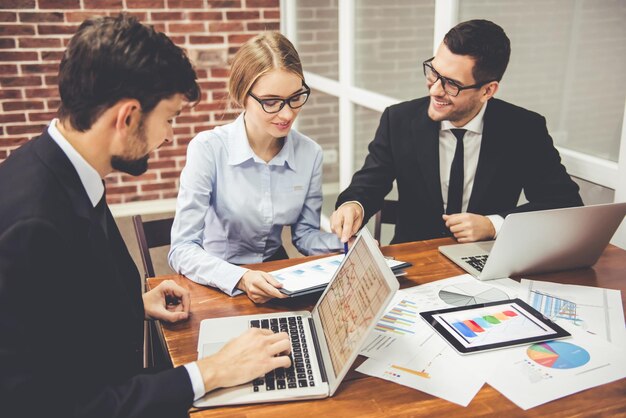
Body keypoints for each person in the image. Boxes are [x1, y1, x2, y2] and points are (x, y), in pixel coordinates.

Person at [0, 15, 290, 418]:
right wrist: (209, 373)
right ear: (128, 117)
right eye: (169, 118)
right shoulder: (30, 225)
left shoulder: (61, 166)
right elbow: (53, 406)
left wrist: (132, 304)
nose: (170, 135)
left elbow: (58, 312)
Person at [331, 19, 583, 245]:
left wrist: (494, 224)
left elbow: (565, 204)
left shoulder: (524, 129)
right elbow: (370, 183)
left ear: (488, 91)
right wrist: (354, 204)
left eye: (451, 83)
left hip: (488, 261)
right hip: (414, 258)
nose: (435, 90)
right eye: (434, 72)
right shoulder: (398, 119)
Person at [169, 32, 342, 304]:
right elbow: (181, 249)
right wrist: (241, 277)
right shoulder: (208, 148)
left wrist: (347, 244)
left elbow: (305, 236)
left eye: (296, 98)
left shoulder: (310, 153)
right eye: (271, 102)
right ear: (241, 96)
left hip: (276, 278)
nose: (287, 114)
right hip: (216, 277)